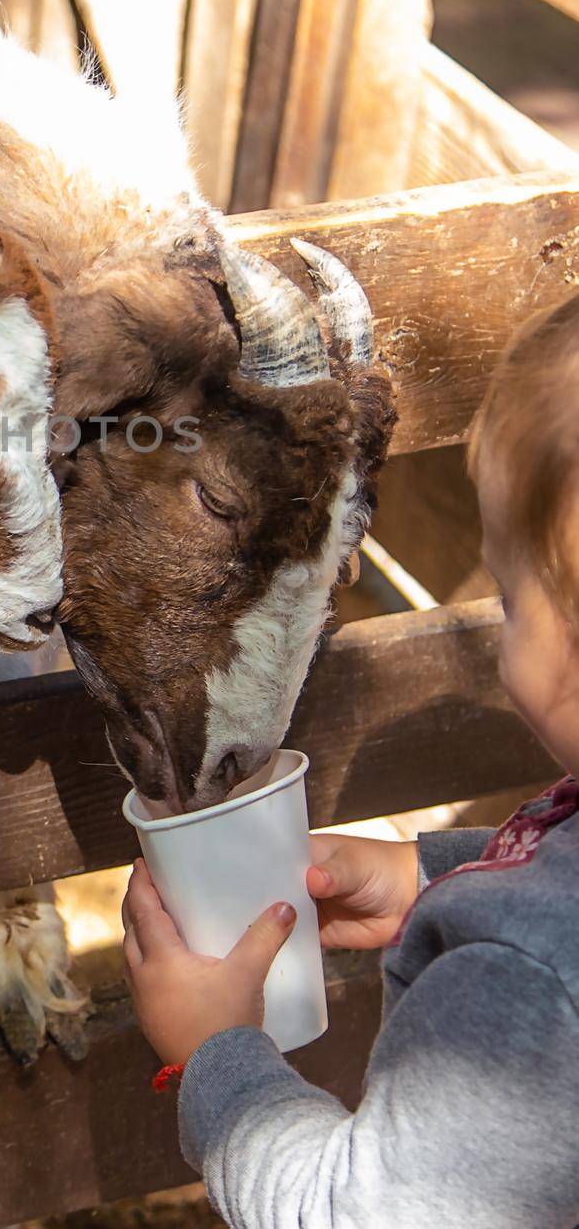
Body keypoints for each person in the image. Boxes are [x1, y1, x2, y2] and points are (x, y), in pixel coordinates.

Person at [122, 290, 579, 1227]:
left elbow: (351, 1215)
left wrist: (214, 1053)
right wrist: (439, 875)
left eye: (508, 594)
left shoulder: (522, 985)